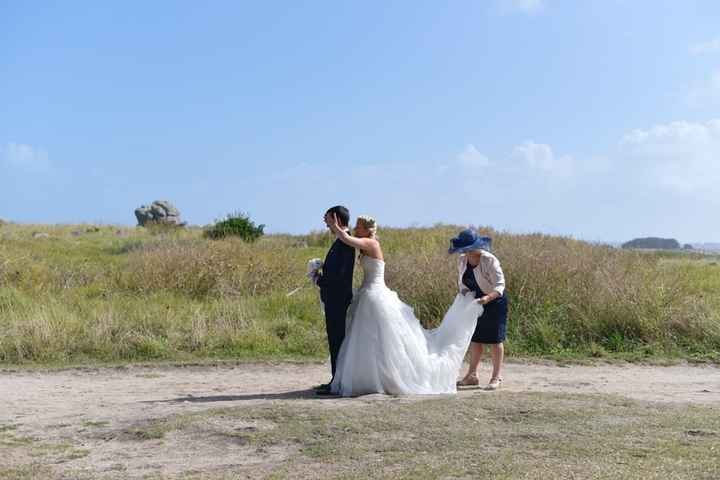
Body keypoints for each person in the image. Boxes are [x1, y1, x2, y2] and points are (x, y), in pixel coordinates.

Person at [328, 214, 482, 396]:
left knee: (381, 339)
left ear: (368, 229)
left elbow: (346, 239)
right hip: (367, 293)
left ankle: (388, 378)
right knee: (369, 340)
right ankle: (370, 378)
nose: (356, 228)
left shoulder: (372, 244)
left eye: (359, 226)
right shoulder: (364, 244)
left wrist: (335, 226)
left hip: (375, 294)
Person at [450, 228, 508, 391]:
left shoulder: (489, 260)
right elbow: (462, 282)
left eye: (469, 247)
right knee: (475, 339)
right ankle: (472, 376)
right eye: (464, 249)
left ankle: (496, 377)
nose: (467, 251)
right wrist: (465, 295)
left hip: (495, 300)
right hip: (475, 302)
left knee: (496, 340)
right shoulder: (462, 260)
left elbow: (500, 285)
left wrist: (487, 298)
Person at [314, 206, 356, 395]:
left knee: (337, 340)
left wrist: (318, 279)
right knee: (334, 341)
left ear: (336, 219)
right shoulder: (340, 241)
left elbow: (341, 277)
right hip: (334, 299)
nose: (326, 225)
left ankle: (337, 382)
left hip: (338, 300)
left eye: (328, 221)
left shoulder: (346, 242)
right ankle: (335, 379)